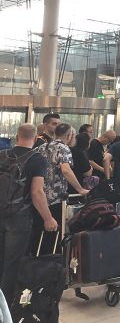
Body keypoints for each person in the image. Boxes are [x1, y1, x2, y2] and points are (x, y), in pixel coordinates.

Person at [0, 124, 57, 300]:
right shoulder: (37, 159)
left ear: (17, 137)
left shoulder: (2, 154)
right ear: (34, 138)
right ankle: (6, 306)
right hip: (19, 217)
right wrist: (48, 218)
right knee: (12, 263)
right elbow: (37, 192)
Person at [34, 123, 88, 254]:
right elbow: (66, 170)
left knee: (40, 235)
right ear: (69, 136)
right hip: (56, 199)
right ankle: (55, 260)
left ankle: (39, 260)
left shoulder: (41, 147)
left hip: (40, 199)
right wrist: (80, 189)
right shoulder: (63, 148)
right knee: (56, 234)